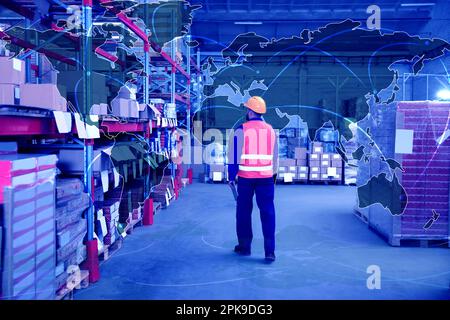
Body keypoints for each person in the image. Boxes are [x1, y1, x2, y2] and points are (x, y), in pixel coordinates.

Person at [227, 96, 278, 262]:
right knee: (268, 213)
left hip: (245, 179)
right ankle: (269, 252)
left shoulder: (241, 130)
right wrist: (273, 177)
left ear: (249, 111)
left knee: (243, 213)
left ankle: (245, 248)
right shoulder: (271, 130)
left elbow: (234, 156)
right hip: (266, 178)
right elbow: (275, 156)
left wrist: (230, 176)